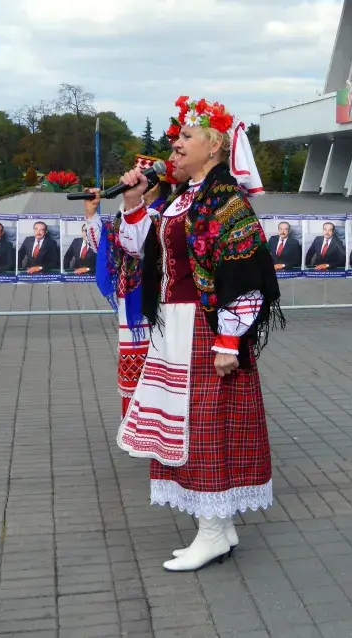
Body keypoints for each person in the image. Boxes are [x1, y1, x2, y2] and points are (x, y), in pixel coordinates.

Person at [111, 96, 283, 573]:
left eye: (186, 137)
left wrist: (230, 339)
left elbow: (246, 271)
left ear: (213, 148)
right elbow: (141, 251)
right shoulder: (178, 198)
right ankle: (220, 528)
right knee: (186, 423)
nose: (176, 143)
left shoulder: (225, 201)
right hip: (174, 327)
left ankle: (211, 532)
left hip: (204, 329)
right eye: (176, 137)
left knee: (204, 427)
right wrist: (132, 200)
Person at [83, 153, 187, 418]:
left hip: (158, 297)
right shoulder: (126, 212)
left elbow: (142, 247)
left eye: (143, 181)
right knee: (133, 361)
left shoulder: (168, 212)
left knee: (160, 361)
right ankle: (135, 423)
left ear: (157, 184)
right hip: (129, 300)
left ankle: (160, 420)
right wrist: (91, 212)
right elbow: (104, 248)